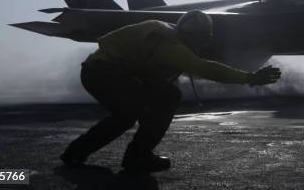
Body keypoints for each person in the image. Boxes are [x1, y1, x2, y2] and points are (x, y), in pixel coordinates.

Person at [60, 10, 281, 173]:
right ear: (200, 36)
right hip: (103, 74)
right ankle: (116, 156)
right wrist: (249, 78)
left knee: (166, 96)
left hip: (113, 73)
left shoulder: (170, 33)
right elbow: (203, 67)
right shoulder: (171, 45)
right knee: (127, 114)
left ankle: (133, 154)